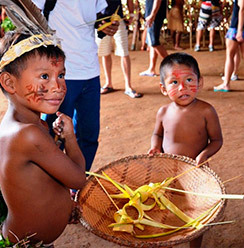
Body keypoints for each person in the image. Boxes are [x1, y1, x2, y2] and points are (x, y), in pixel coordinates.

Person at [0, 30, 86, 246]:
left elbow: (40, 175)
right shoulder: (29, 134)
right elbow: (77, 179)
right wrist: (70, 138)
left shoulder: (30, 125)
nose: (58, 87)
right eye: (44, 76)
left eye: (61, 75)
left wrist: (65, 204)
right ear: (9, 83)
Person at [32, 0, 119, 171]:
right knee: (51, 134)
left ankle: (79, 181)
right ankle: (50, 181)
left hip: (91, 70)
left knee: (89, 134)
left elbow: (100, 17)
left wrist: (107, 26)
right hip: (60, 73)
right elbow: (31, 15)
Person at [148, 53, 223, 248]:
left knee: (196, 213)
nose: (183, 88)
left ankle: (194, 245)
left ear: (201, 81)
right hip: (169, 173)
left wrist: (204, 154)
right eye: (174, 82)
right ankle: (170, 240)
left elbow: (216, 140)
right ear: (163, 89)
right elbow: (157, 135)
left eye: (189, 80)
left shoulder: (206, 111)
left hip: (196, 172)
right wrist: (155, 146)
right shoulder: (163, 113)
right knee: (168, 209)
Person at [97, 0, 142, 98]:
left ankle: (128, 86)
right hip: (102, 20)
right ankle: (108, 83)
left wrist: (131, 14)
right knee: (105, 52)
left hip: (118, 19)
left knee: (124, 52)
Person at [214, 0, 244, 92]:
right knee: (235, 54)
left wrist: (239, 30)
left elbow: (242, 9)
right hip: (239, 27)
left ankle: (226, 84)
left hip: (237, 28)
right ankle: (228, 80)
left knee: (230, 55)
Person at [139, 0, 168, 77]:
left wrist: (152, 15)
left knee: (154, 42)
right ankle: (151, 69)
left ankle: (173, 64)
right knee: (152, 43)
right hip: (153, 14)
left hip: (155, 15)